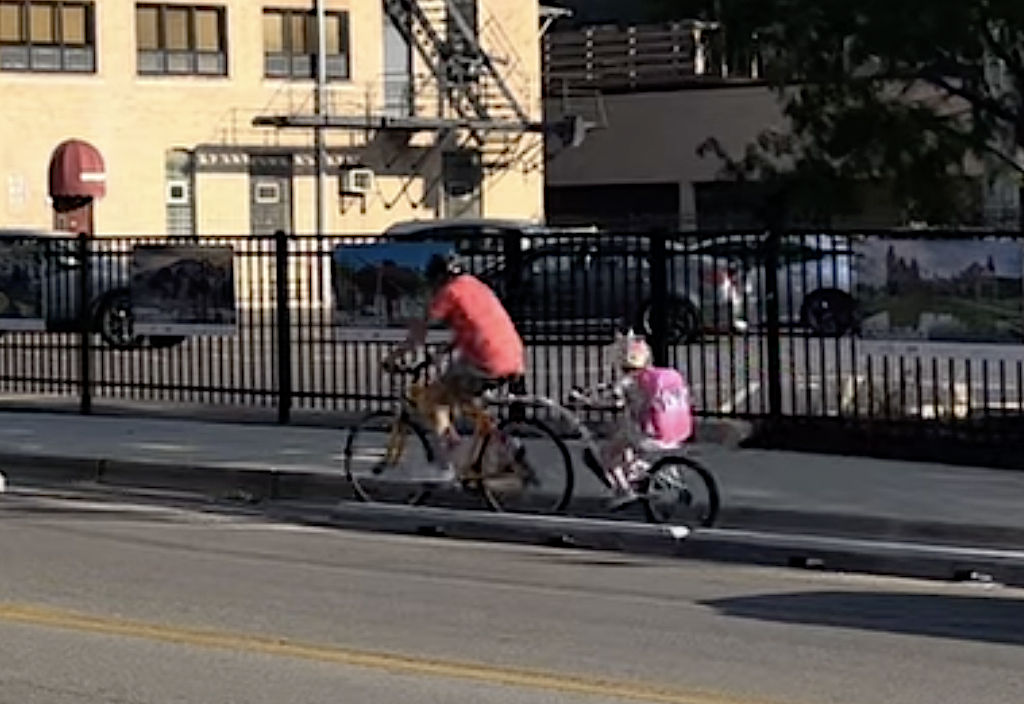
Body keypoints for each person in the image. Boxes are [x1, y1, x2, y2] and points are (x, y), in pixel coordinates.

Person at [385, 252, 526, 482]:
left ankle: (444, 465)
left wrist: (395, 356)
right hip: (511, 355)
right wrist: (446, 350)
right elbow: (475, 325)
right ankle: (504, 444)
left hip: (485, 360)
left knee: (433, 400)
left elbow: (421, 330)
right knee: (463, 397)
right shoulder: (475, 285)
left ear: (438, 278)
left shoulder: (449, 292)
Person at [588, 330, 694, 506]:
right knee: (625, 443)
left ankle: (623, 491)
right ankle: (649, 476)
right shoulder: (651, 376)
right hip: (674, 433)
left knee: (607, 454)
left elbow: (614, 400)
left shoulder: (628, 381)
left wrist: (588, 401)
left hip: (646, 434)